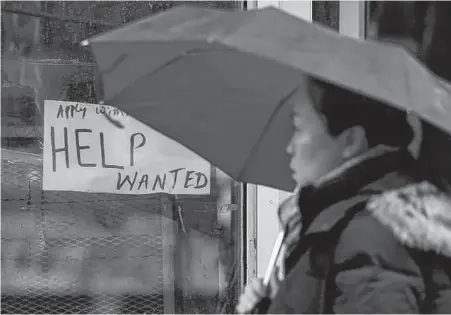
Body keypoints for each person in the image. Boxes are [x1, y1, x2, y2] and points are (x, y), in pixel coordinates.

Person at [236, 78, 451, 314]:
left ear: (350, 141)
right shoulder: (348, 221)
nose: (290, 147)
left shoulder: (371, 231)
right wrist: (274, 304)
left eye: (297, 128)